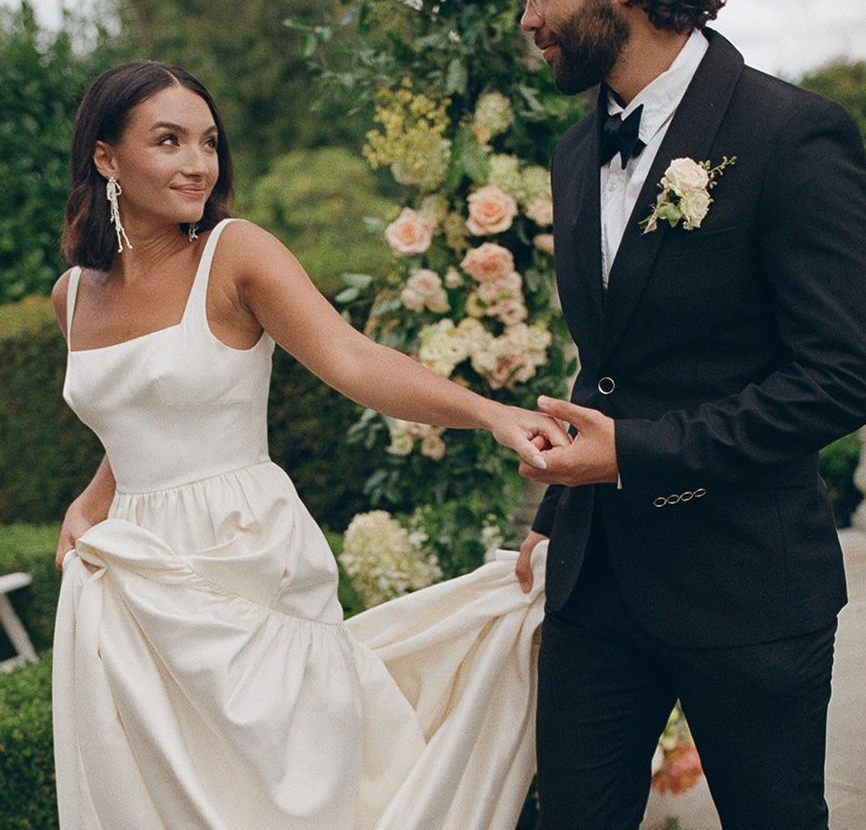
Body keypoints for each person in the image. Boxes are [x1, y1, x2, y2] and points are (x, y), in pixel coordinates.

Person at [50, 59, 567, 829]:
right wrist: (90, 502)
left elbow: (354, 360)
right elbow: (137, 414)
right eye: (168, 141)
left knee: (290, 793)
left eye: (209, 143)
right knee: (161, 800)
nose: (197, 164)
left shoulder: (234, 253)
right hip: (131, 576)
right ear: (105, 157)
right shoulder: (72, 294)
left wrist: (489, 412)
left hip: (243, 553)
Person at [510, 0, 866, 830]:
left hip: (748, 585)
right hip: (597, 588)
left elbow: (845, 374)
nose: (528, 18)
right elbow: (617, 361)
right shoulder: (572, 148)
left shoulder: (790, 136)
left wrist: (635, 452)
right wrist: (553, 519)